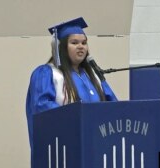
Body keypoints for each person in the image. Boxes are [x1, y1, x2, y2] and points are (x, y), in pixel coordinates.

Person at [26, 17, 117, 161]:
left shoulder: (93, 75)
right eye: (74, 43)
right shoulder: (47, 73)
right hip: (63, 149)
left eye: (84, 43)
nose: (81, 46)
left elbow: (113, 105)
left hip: (96, 146)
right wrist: (79, 119)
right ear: (61, 47)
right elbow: (42, 108)